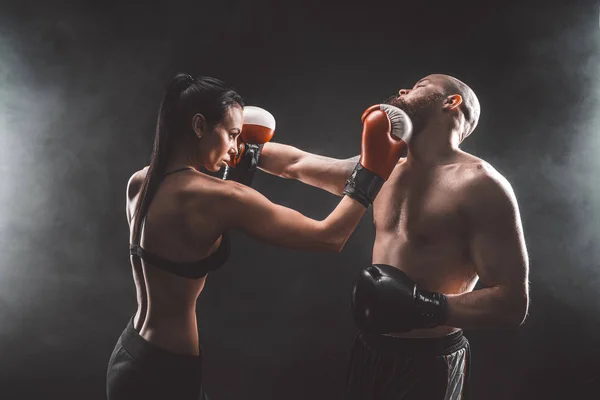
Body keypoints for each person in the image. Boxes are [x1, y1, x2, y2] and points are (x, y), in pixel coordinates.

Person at [105, 73, 412, 400]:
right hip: (167, 376)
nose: (237, 148)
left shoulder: (140, 181)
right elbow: (329, 237)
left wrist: (235, 155)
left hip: (129, 354)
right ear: (198, 126)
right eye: (233, 135)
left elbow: (191, 224)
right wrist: (372, 173)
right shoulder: (221, 198)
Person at [258, 74, 530, 399]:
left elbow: (512, 303)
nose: (403, 90)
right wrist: (239, 147)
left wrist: (424, 307)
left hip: (429, 361)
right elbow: (297, 163)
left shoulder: (481, 186)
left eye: (420, 86)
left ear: (451, 102)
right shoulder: (384, 171)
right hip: (370, 349)